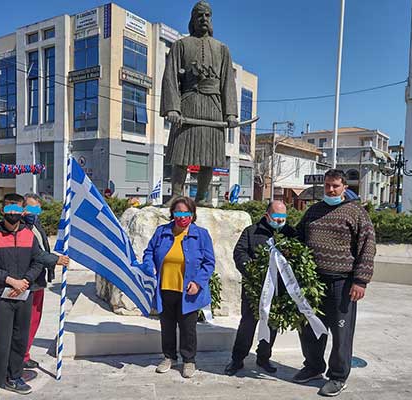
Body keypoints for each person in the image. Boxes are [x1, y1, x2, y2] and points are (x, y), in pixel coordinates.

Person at [292, 169, 376, 397]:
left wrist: (361, 281)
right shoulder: (313, 211)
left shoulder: (356, 213)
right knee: (310, 327)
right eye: (327, 185)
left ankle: (338, 377)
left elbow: (367, 247)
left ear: (344, 188)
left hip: (343, 283)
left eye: (335, 186)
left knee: (341, 333)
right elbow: (299, 236)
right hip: (313, 281)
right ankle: (313, 366)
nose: (330, 190)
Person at [161, 1, 238, 206]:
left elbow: (228, 83)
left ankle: (202, 197)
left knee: (209, 155)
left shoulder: (222, 49)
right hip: (188, 102)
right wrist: (172, 108)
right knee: (181, 152)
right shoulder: (180, 45)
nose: (204, 19)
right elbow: (170, 77)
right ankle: (176, 194)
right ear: (192, 19)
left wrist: (230, 113)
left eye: (207, 15)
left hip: (214, 106)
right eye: (199, 15)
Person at [143, 197, 215, 378]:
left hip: (189, 291)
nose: (182, 217)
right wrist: (149, 266)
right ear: (172, 213)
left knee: (187, 328)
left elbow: (209, 263)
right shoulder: (162, 232)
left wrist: (198, 282)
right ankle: (169, 357)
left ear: (192, 214)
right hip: (165, 288)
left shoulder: (201, 235)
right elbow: (149, 252)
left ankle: (189, 360)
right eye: (178, 212)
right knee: (167, 326)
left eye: (186, 213)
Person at [224, 201, 298, 376]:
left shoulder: (290, 233)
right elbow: (239, 253)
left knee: (271, 325)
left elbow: (298, 255)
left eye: (283, 217)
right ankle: (237, 359)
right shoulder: (251, 231)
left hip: (278, 290)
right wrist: (252, 271)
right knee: (247, 325)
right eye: (276, 217)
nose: (279, 220)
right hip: (254, 289)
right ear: (267, 215)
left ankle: (264, 358)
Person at [0, 194, 43, 400]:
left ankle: (14, 377)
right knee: (2, 343)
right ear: (3, 211)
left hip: (24, 294)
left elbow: (37, 261)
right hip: (2, 297)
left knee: (20, 340)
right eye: (9, 209)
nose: (13, 213)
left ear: (22, 211)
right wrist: (10, 281)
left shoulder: (29, 235)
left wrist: (26, 280)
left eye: (17, 209)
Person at [21, 194, 70, 370]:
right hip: (27, 281)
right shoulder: (21, 228)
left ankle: (24, 355)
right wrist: (55, 260)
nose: (35, 212)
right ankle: (20, 357)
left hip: (38, 280)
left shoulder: (36, 225)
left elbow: (42, 249)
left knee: (34, 320)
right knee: (25, 322)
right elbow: (36, 253)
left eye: (37, 209)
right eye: (31, 208)